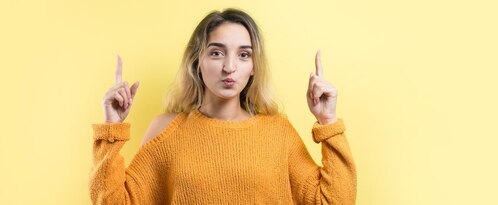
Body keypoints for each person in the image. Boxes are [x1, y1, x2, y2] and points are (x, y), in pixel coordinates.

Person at [89, 8, 356, 204]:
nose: (230, 67)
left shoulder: (278, 132)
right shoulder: (166, 129)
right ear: (198, 61)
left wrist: (328, 122)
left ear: (253, 67)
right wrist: (111, 128)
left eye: (243, 55)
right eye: (216, 52)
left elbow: (334, 201)